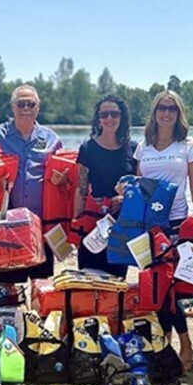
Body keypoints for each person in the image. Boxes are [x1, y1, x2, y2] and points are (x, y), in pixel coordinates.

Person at [134, 90, 193, 371]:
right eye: (161, 108)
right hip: (149, 226)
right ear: (154, 112)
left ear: (178, 114)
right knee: (156, 289)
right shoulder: (143, 148)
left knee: (173, 288)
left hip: (176, 224)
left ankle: (184, 343)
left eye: (172, 109)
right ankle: (165, 344)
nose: (166, 113)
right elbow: (138, 188)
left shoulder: (188, 145)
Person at [0, 85, 62, 282]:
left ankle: (39, 315)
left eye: (30, 104)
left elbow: (67, 179)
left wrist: (63, 179)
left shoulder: (52, 139)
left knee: (41, 284)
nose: (26, 108)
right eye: (21, 103)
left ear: (38, 108)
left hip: (41, 225)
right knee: (10, 286)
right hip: (7, 225)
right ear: (12, 107)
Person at [74, 94, 138, 278]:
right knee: (87, 280)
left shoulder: (133, 149)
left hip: (121, 225)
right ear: (98, 118)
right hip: (93, 223)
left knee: (116, 282)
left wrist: (126, 198)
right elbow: (81, 190)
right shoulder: (87, 149)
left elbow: (140, 187)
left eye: (114, 114)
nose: (109, 119)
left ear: (122, 117)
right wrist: (76, 224)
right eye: (104, 114)